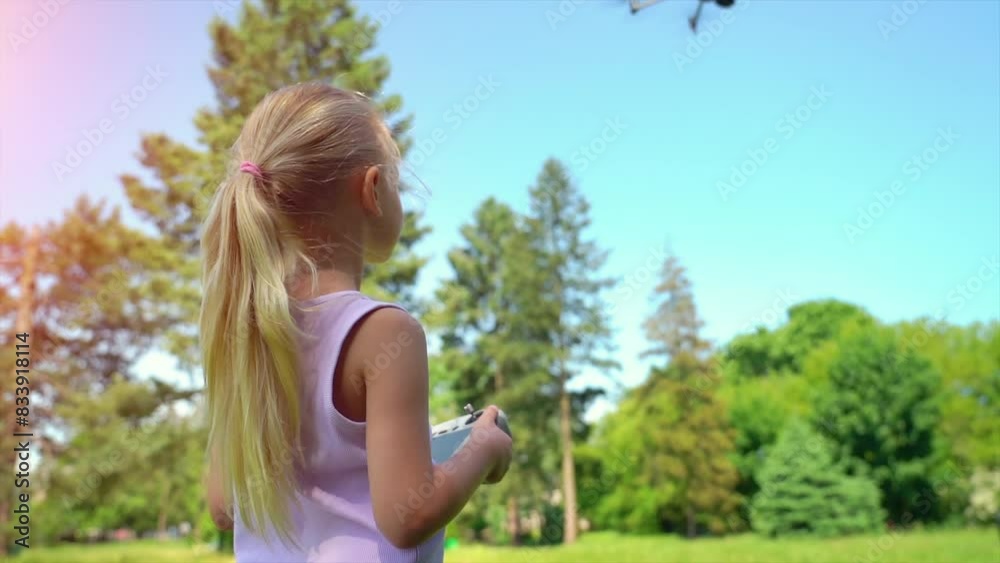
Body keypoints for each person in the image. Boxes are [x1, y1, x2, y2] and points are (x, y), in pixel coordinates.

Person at [199, 82, 513, 562]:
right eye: (397, 180)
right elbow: (410, 515)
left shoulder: (244, 336)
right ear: (372, 189)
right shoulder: (386, 333)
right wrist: (483, 448)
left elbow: (223, 507)